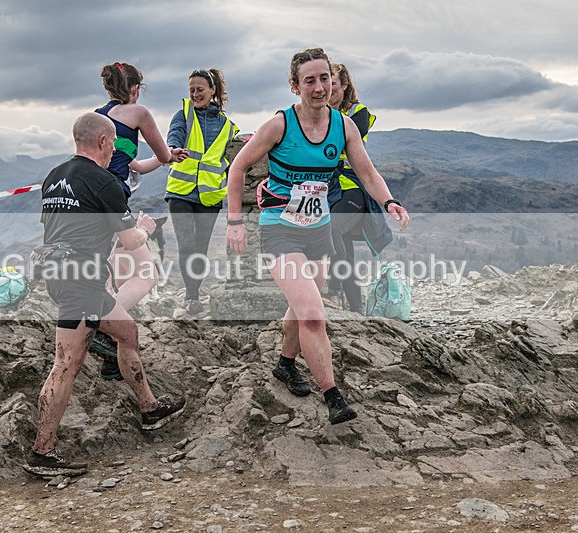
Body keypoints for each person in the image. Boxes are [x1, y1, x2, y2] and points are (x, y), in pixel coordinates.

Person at [226, 48, 409, 425]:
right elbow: (238, 167)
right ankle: (332, 395)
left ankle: (285, 364)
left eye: (325, 78)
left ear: (334, 81)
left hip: (318, 227)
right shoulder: (279, 125)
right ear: (295, 86)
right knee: (312, 313)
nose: (319, 87)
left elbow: (367, 172)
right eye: (309, 80)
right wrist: (234, 222)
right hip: (280, 227)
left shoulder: (344, 126)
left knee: (302, 303)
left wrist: (389, 201)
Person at [25, 112, 186, 478]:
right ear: (102, 141)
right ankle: (42, 452)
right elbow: (129, 240)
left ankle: (149, 408)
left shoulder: (54, 177)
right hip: (80, 282)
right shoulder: (104, 182)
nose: (115, 149)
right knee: (66, 364)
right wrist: (145, 228)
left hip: (67, 276)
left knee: (127, 332)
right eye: (113, 142)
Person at [90, 62, 189, 380]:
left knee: (111, 275)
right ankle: (102, 329)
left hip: (91, 200)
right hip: (113, 201)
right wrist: (169, 155)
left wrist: (164, 159)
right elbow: (161, 153)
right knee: (147, 273)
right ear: (135, 88)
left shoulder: (99, 117)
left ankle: (110, 359)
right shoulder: (139, 113)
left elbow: (133, 164)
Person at [163, 68, 238, 318]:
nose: (195, 94)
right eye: (191, 90)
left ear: (212, 90)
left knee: (201, 247)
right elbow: (175, 134)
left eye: (200, 89)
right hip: (180, 192)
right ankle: (191, 296)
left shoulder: (228, 126)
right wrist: (173, 147)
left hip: (209, 196)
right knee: (186, 244)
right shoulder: (183, 114)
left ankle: (193, 292)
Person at [325, 63, 393, 313]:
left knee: (332, 229)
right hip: (328, 191)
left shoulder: (358, 112)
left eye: (333, 83)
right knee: (344, 248)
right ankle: (356, 308)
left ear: (344, 85)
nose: (328, 88)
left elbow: (341, 140)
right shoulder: (318, 114)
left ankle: (333, 290)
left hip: (352, 188)